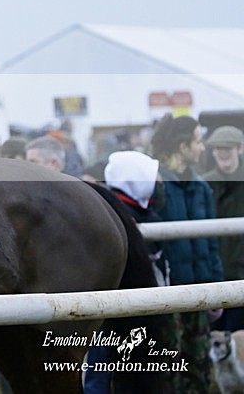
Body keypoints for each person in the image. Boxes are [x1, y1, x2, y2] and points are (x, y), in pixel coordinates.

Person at [83, 151, 168, 393]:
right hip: (110, 310)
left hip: (137, 309)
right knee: (101, 367)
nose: (158, 183)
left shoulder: (147, 211)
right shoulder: (113, 214)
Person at [150, 113, 223, 393]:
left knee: (200, 372)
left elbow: (211, 241)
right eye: (198, 141)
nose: (203, 148)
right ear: (183, 147)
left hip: (200, 293)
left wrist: (217, 287)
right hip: (167, 297)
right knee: (168, 373)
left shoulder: (202, 188)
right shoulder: (155, 187)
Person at [202, 125, 244, 332]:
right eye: (218, 149)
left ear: (240, 149)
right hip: (215, 275)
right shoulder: (204, 184)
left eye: (228, 148)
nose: (223, 153)